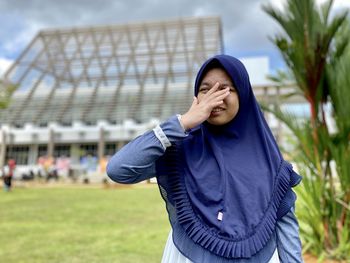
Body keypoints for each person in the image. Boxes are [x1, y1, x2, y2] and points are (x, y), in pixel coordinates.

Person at [107, 55, 303, 263]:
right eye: (205, 89)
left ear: (243, 95)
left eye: (226, 89)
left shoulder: (269, 160)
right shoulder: (180, 149)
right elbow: (119, 170)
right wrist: (182, 123)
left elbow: (287, 229)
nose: (214, 98)